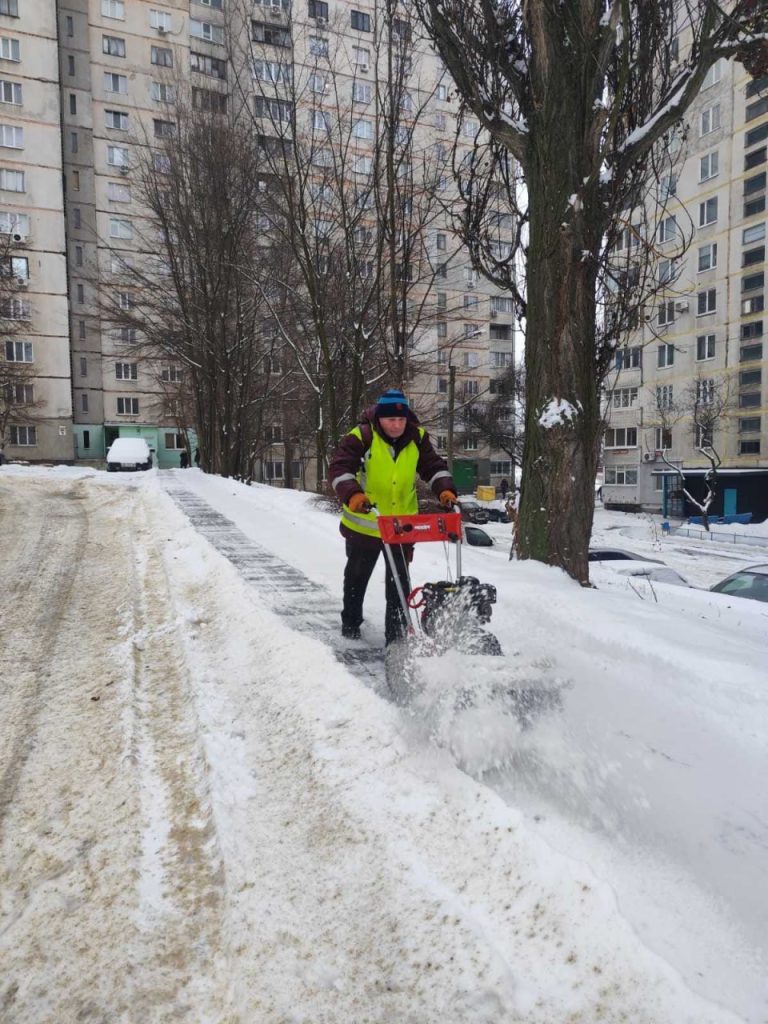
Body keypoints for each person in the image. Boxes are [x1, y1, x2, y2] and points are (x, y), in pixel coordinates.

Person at [329, 388, 457, 644]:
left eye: (401, 420)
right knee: (356, 577)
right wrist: (353, 494)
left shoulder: (418, 437)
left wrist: (445, 490)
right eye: (391, 420)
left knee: (398, 583)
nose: (396, 425)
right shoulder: (361, 437)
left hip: (401, 527)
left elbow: (433, 467)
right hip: (365, 524)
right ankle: (351, 624)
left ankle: (396, 637)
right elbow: (340, 469)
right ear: (379, 419)